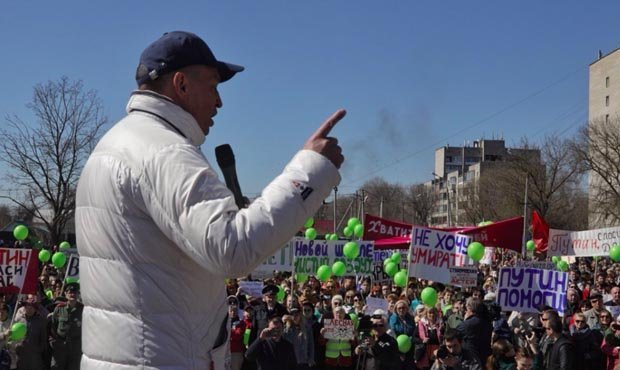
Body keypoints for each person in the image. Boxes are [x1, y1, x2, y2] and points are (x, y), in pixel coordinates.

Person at [75, 31, 345, 369]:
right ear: (181, 84)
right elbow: (233, 248)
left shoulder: (113, 145)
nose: (219, 102)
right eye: (213, 86)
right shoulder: (164, 151)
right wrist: (312, 170)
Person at [50, 282, 83, 370]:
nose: (72, 294)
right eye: (69, 292)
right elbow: (53, 326)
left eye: (74, 292)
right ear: (65, 293)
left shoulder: (83, 309)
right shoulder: (59, 308)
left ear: (78, 294)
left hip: (75, 348)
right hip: (60, 346)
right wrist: (54, 341)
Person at [457, 297, 493, 365]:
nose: (465, 311)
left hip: (471, 361)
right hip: (485, 359)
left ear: (470, 308)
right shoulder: (487, 322)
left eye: (466, 308)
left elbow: (455, 334)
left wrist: (466, 321)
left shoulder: (466, 325)